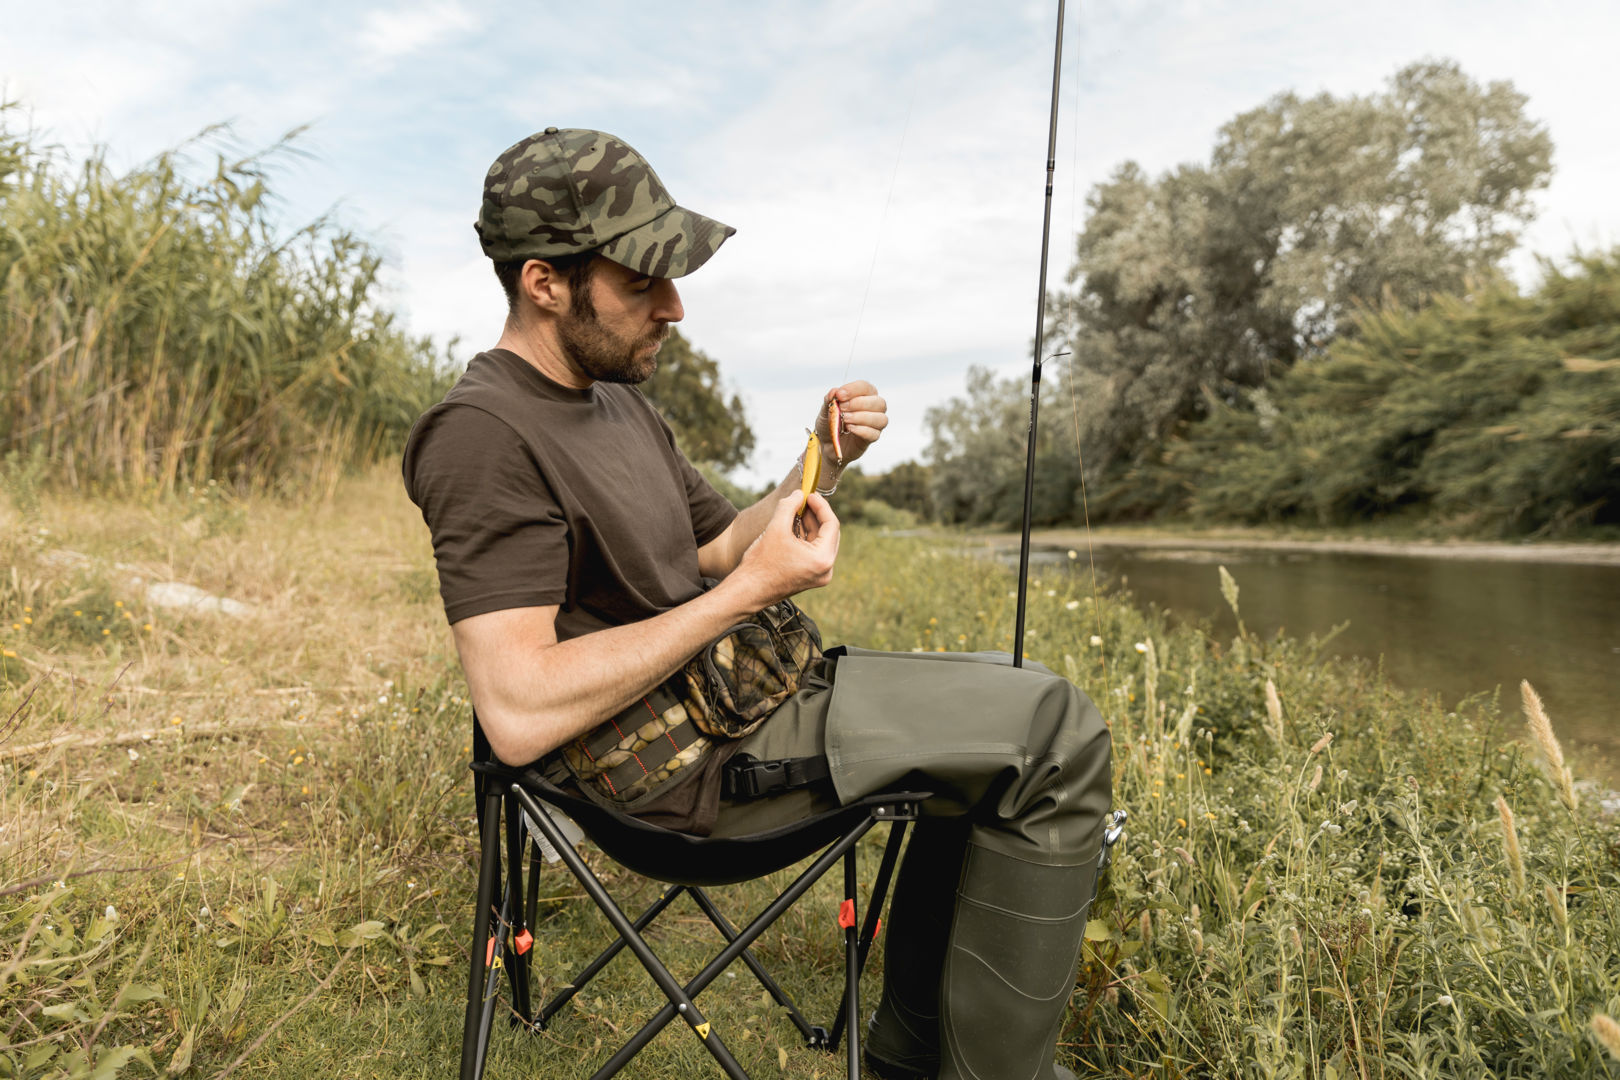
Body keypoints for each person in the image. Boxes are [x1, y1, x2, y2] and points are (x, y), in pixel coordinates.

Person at [404, 127, 1113, 1080]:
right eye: (643, 280)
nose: (676, 305)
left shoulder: (616, 402)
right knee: (1055, 729)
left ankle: (914, 1057)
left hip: (744, 704)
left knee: (1014, 695)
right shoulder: (482, 435)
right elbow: (519, 709)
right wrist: (746, 596)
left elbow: (715, 544)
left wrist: (821, 462)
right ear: (544, 281)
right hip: (683, 774)